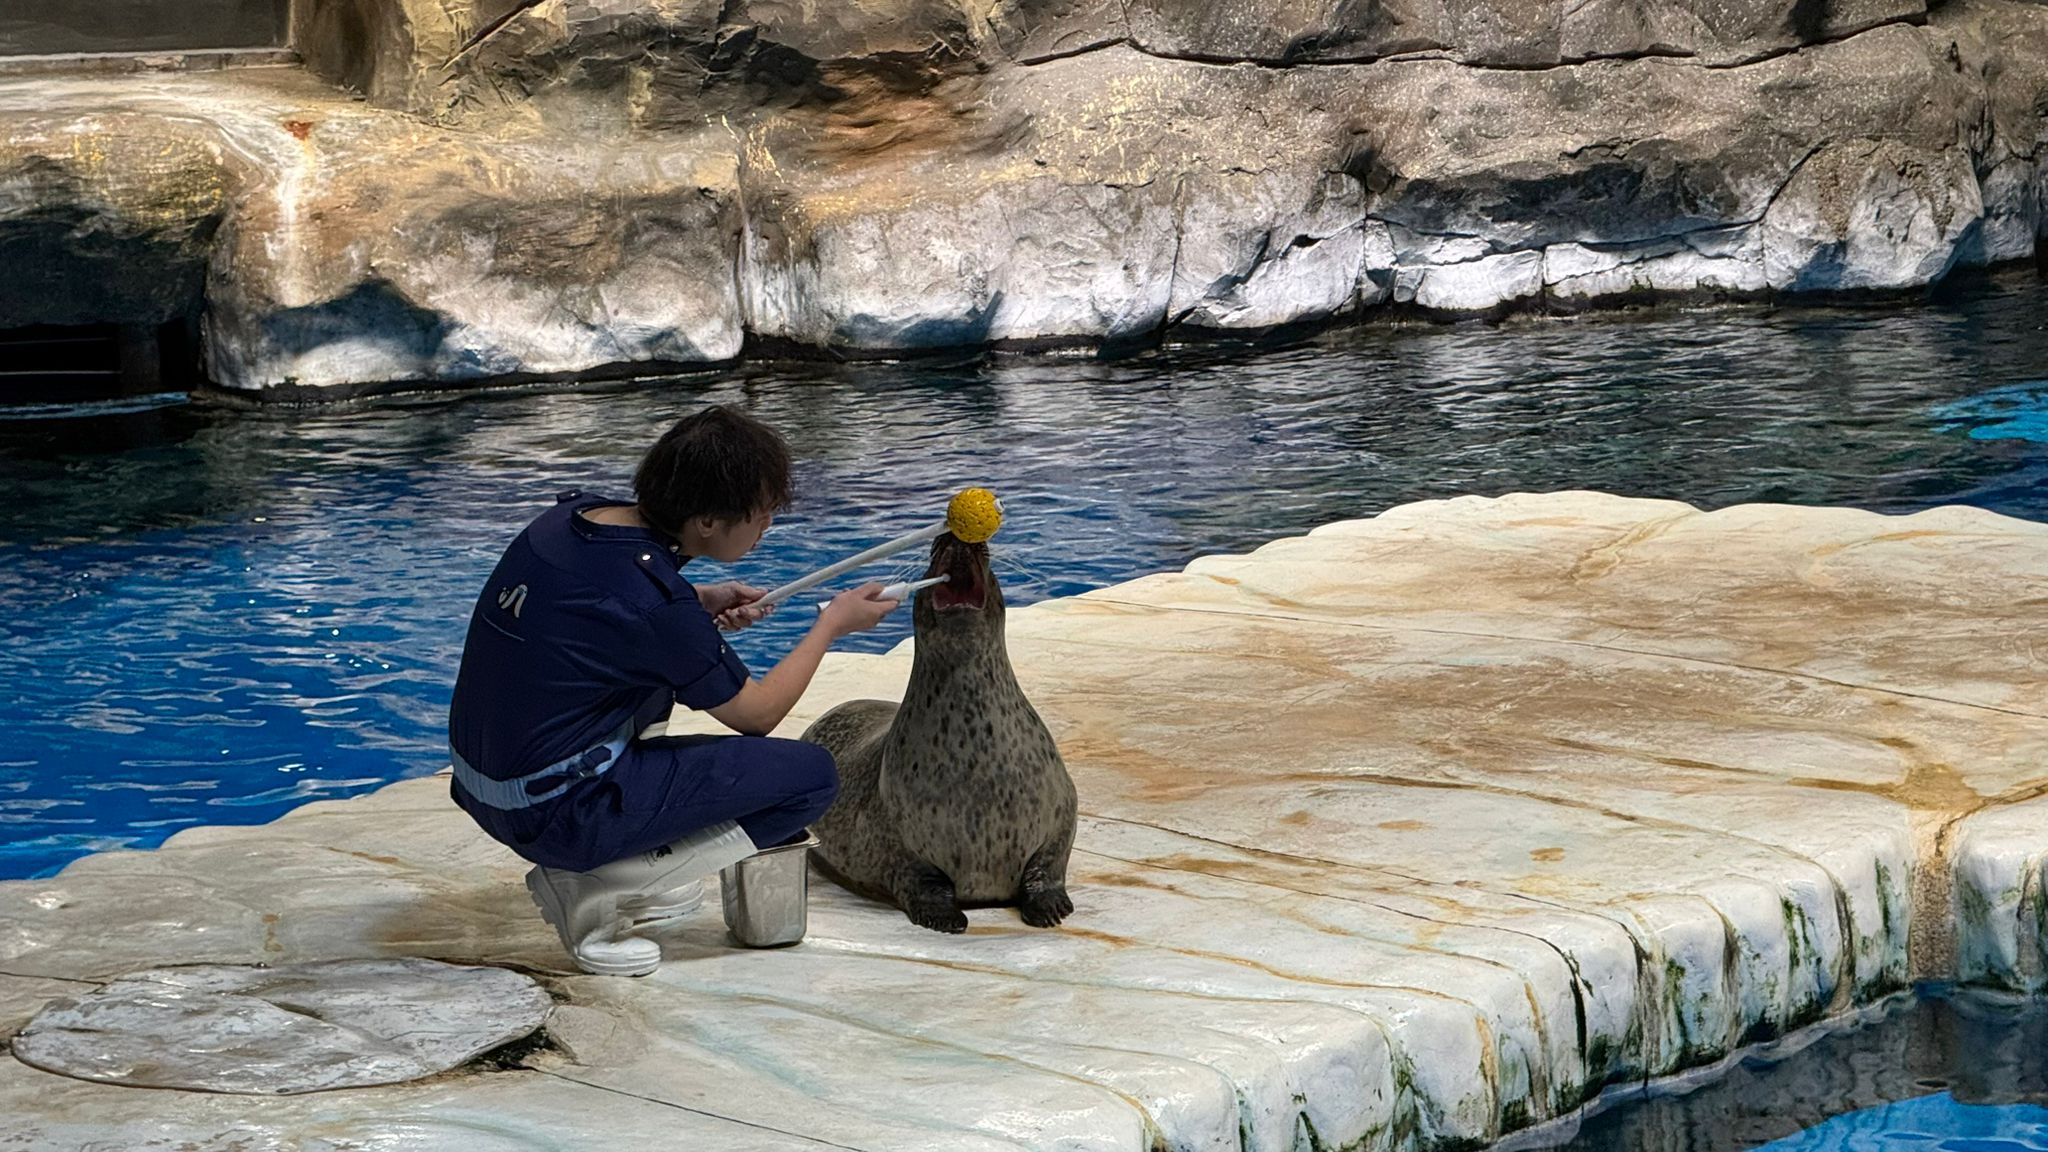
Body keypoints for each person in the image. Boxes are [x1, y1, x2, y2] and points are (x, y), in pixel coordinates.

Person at [446, 405, 900, 976]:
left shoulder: (568, 520)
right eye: (760, 513)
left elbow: (597, 615)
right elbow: (758, 714)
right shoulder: (656, 606)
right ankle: (592, 885)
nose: (767, 525)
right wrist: (831, 624)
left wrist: (698, 601)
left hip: (486, 786)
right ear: (707, 521)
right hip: (555, 812)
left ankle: (623, 856)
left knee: (651, 688)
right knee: (810, 778)